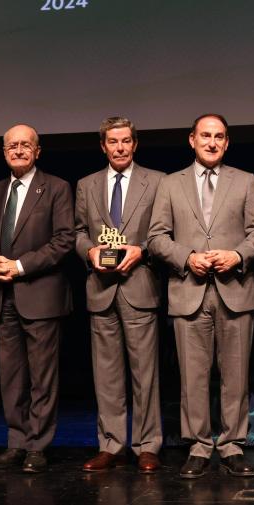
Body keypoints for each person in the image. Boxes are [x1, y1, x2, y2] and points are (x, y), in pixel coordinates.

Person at [148, 113, 254, 479]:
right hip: (189, 291)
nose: (212, 142)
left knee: (235, 376)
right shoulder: (170, 184)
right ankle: (199, 446)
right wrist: (187, 258)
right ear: (192, 140)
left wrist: (236, 255)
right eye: (205, 136)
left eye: (218, 137)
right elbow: (156, 238)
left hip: (236, 291)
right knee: (193, 377)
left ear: (227, 142)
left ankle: (232, 445)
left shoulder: (245, 181)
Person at [0, 124, 75, 474]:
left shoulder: (57, 188)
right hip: (2, 296)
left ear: (38, 151)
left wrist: (20, 266)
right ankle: (17, 442)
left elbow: (64, 240)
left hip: (41, 297)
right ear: (4, 152)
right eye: (12, 145)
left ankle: (38, 445)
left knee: (42, 378)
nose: (18, 150)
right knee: (11, 377)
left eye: (26, 145)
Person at [75, 117, 164, 474]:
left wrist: (141, 249)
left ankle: (147, 446)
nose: (120, 147)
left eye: (126, 141)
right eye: (113, 142)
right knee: (107, 375)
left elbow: (162, 232)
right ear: (103, 146)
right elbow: (79, 231)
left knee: (145, 374)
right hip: (101, 289)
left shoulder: (156, 182)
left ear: (135, 144)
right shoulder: (86, 184)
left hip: (139, 286)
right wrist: (89, 252)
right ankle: (111, 445)